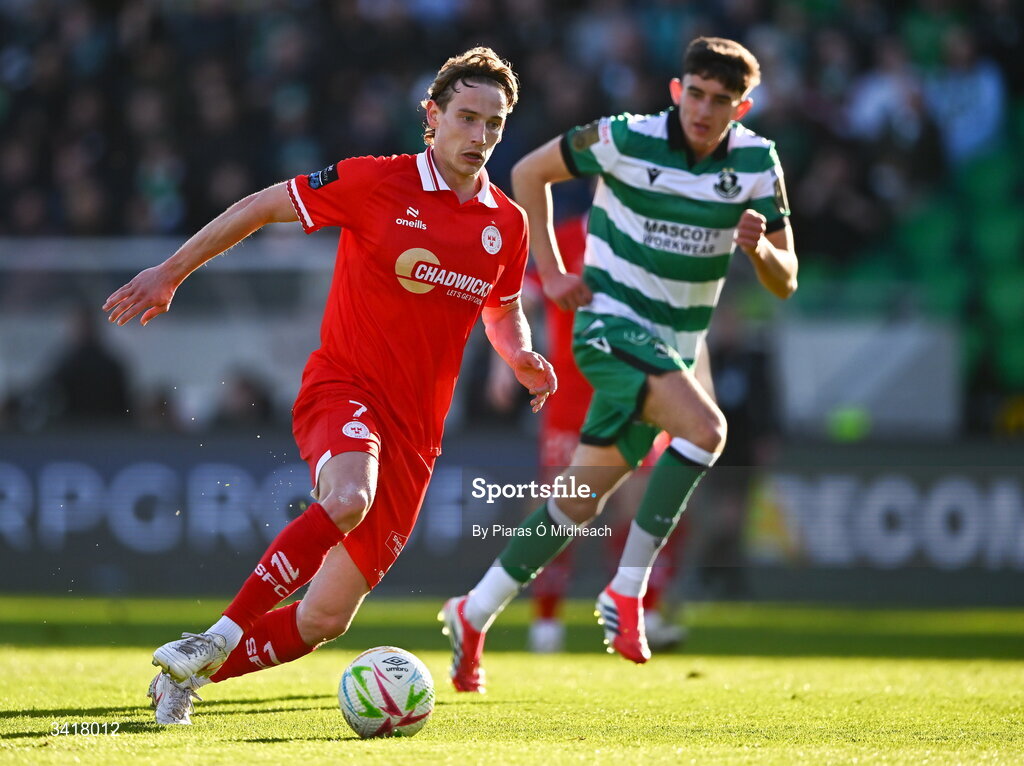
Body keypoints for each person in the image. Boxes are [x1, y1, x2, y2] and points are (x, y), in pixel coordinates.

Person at [103, 47, 555, 725]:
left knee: (323, 617)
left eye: (494, 123)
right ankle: (216, 638)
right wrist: (172, 272)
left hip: (418, 434)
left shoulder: (507, 224)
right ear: (432, 117)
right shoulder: (375, 183)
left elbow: (502, 306)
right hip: (345, 388)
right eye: (467, 117)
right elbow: (261, 206)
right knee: (347, 495)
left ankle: (186, 678)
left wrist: (519, 354)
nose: (481, 136)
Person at [440, 36, 797, 692]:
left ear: (741, 107)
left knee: (577, 499)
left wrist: (760, 252)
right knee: (708, 431)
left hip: (673, 350)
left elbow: (786, 279)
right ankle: (626, 592)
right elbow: (528, 175)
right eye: (695, 93)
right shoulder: (625, 137)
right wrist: (549, 275)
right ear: (676, 90)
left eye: (721, 101)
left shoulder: (756, 163)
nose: (704, 109)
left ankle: (472, 610)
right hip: (608, 330)